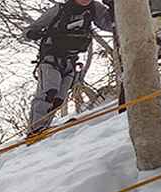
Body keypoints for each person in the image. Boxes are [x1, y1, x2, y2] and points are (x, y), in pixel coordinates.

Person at [25, 0, 116, 134]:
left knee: (59, 99)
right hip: (51, 59)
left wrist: (114, 8)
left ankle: (44, 127)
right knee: (49, 92)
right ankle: (35, 129)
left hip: (71, 61)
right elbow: (30, 30)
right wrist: (32, 33)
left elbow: (110, 25)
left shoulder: (94, 8)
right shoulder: (59, 9)